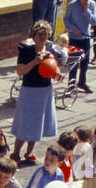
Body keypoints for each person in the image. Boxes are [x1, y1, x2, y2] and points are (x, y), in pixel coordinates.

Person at [11, 20, 65, 166]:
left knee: (37, 123)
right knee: (25, 122)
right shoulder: (26, 50)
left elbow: (57, 75)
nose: (43, 36)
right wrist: (35, 62)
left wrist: (58, 74)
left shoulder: (51, 51)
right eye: (40, 34)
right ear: (34, 35)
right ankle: (15, 153)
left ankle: (29, 152)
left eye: (46, 34)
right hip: (29, 90)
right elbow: (19, 71)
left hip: (44, 91)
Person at [63, 0, 95, 93]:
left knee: (85, 62)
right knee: (73, 62)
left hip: (85, 37)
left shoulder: (92, 5)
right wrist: (73, 29)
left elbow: (94, 21)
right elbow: (66, 20)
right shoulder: (72, 5)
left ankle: (82, 82)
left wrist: (87, 11)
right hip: (74, 38)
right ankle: (71, 84)